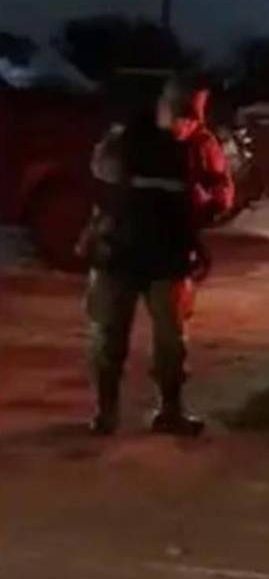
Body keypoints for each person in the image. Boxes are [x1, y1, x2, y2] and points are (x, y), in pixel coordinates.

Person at [81, 74, 234, 437]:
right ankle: (106, 412)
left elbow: (222, 194)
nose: (190, 119)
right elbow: (100, 181)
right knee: (109, 337)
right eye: (185, 109)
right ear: (164, 105)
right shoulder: (127, 138)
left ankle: (170, 410)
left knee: (170, 341)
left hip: (168, 254)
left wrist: (200, 208)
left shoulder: (201, 144)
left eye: (195, 111)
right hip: (120, 252)